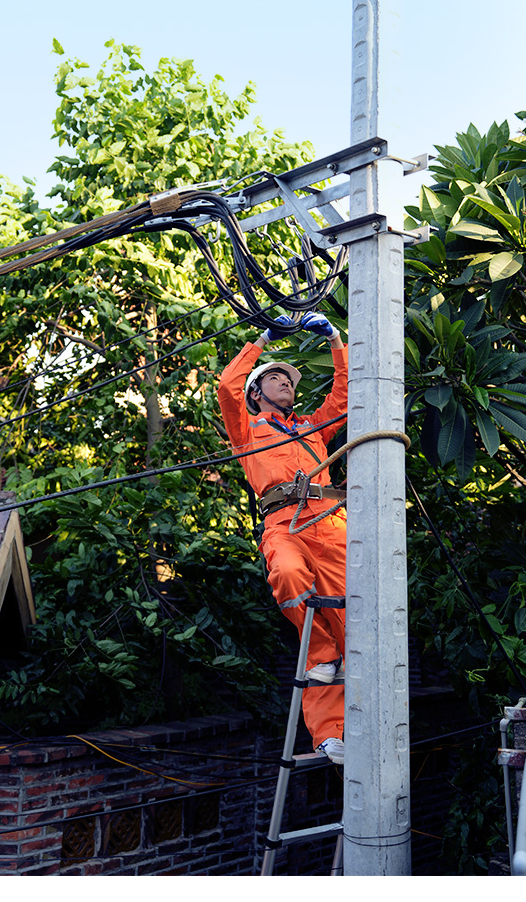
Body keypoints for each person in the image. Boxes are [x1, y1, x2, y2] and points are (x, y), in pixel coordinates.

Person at [218, 310, 349, 764]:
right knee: (290, 577)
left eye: (288, 379)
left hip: (330, 524)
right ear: (257, 393)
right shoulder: (247, 430)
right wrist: (264, 339)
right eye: (274, 378)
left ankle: (340, 730)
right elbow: (226, 389)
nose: (286, 382)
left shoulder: (313, 426)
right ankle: (326, 712)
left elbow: (345, 394)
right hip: (284, 523)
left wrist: (334, 339)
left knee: (351, 630)